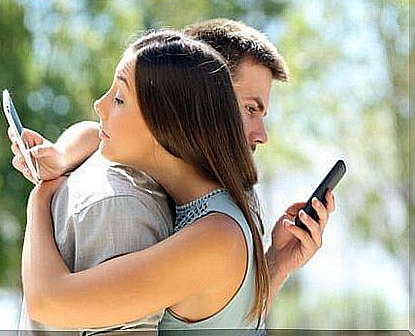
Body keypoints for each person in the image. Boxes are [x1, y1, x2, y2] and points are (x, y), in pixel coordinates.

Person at [20, 30, 333, 331]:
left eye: (119, 99)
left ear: (167, 121)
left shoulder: (214, 238)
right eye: (250, 109)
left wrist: (41, 196)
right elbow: (92, 133)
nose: (100, 106)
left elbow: (47, 301)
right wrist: (59, 157)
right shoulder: (213, 205)